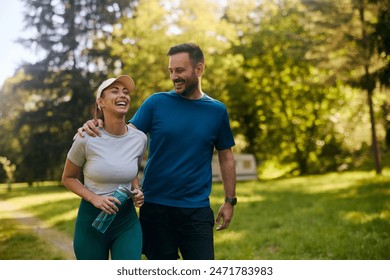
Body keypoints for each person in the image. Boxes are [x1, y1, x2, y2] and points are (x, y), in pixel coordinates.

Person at [79, 43, 237, 260]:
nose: (174, 77)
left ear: (199, 69)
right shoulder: (156, 103)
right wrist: (94, 124)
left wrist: (230, 201)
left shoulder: (217, 111)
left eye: (180, 71)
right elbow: (122, 137)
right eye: (171, 71)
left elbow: (226, 157)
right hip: (156, 209)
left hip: (196, 210)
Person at [62, 75, 147, 260]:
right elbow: (68, 178)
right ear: (101, 102)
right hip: (91, 222)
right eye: (114, 91)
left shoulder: (140, 139)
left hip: (126, 222)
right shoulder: (86, 138)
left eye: (125, 92)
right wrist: (95, 199)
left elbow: (132, 170)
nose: (122, 95)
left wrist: (136, 190)